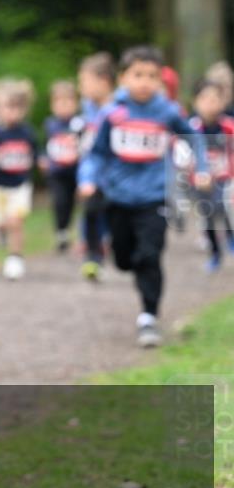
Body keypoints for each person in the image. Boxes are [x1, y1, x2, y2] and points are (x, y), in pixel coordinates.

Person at [78, 46, 211, 348]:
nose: (145, 82)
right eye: (138, 75)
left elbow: (194, 138)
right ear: (123, 78)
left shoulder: (167, 111)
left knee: (150, 255)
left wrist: (201, 168)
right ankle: (128, 262)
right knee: (125, 259)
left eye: (152, 76)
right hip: (118, 197)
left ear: (160, 81)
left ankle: (149, 316)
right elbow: (95, 153)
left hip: (155, 197)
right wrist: (87, 180)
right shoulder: (112, 113)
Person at [0, 78, 39, 280]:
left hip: (20, 186)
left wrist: (40, 160)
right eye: (8, 107)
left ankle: (15, 258)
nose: (13, 112)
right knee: (0, 222)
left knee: (16, 221)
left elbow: (35, 151)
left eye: (17, 107)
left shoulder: (27, 132)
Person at [76, 52, 117, 281]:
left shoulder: (121, 109)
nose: (80, 87)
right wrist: (85, 178)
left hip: (118, 178)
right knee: (91, 212)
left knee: (113, 219)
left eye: (84, 81)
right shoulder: (87, 109)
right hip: (94, 176)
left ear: (103, 81)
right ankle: (93, 257)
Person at [188, 79, 234, 272]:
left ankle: (230, 238)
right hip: (200, 183)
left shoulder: (229, 127)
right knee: (208, 217)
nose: (210, 104)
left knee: (225, 209)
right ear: (195, 102)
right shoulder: (190, 128)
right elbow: (181, 155)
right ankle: (215, 254)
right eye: (205, 99)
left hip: (225, 179)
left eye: (215, 99)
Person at [40, 80, 85, 253]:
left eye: (68, 101)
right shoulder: (50, 124)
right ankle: (61, 231)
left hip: (75, 171)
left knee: (72, 203)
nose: (64, 105)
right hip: (56, 172)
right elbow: (44, 144)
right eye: (59, 101)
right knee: (60, 201)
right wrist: (43, 158)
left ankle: (70, 231)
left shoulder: (80, 124)